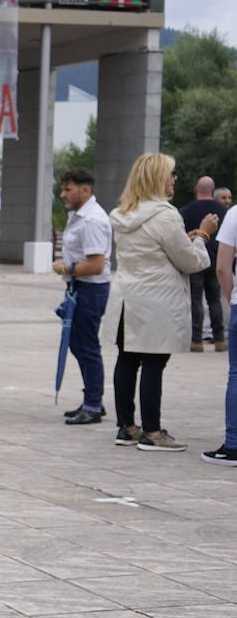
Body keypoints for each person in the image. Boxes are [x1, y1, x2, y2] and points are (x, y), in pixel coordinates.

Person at [103, 153, 217, 452]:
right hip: (157, 300)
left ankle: (126, 427)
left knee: (127, 360)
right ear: (157, 180)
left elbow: (155, 247)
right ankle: (152, 432)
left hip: (127, 297)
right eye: (171, 174)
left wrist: (186, 237)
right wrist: (203, 234)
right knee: (154, 362)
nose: (174, 179)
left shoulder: (123, 214)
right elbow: (189, 261)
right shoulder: (165, 215)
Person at [52, 168, 112, 425]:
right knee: (78, 344)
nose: (63, 194)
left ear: (85, 190)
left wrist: (66, 268)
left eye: (68, 189)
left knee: (86, 347)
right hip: (80, 288)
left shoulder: (92, 220)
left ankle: (93, 404)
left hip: (91, 289)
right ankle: (92, 399)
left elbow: (96, 265)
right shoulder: (78, 216)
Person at [203, 202, 237, 465]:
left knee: (236, 375)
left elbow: (223, 267)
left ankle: (234, 444)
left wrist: (231, 297)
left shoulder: (235, 214)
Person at [179, 176, 228, 352]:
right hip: (216, 260)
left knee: (195, 300)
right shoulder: (223, 211)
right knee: (215, 300)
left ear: (195, 189)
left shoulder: (185, 211)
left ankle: (196, 340)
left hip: (195, 260)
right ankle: (220, 340)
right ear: (213, 190)